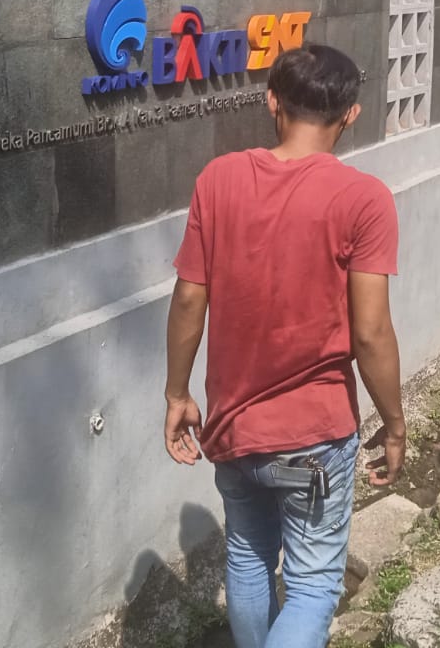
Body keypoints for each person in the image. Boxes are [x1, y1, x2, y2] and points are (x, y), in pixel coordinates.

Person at [163, 44, 406, 648]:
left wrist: (177, 393)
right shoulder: (364, 199)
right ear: (350, 114)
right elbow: (371, 331)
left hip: (232, 429)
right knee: (314, 585)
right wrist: (395, 423)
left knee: (248, 558)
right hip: (314, 436)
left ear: (272, 101)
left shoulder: (217, 180)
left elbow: (189, 297)